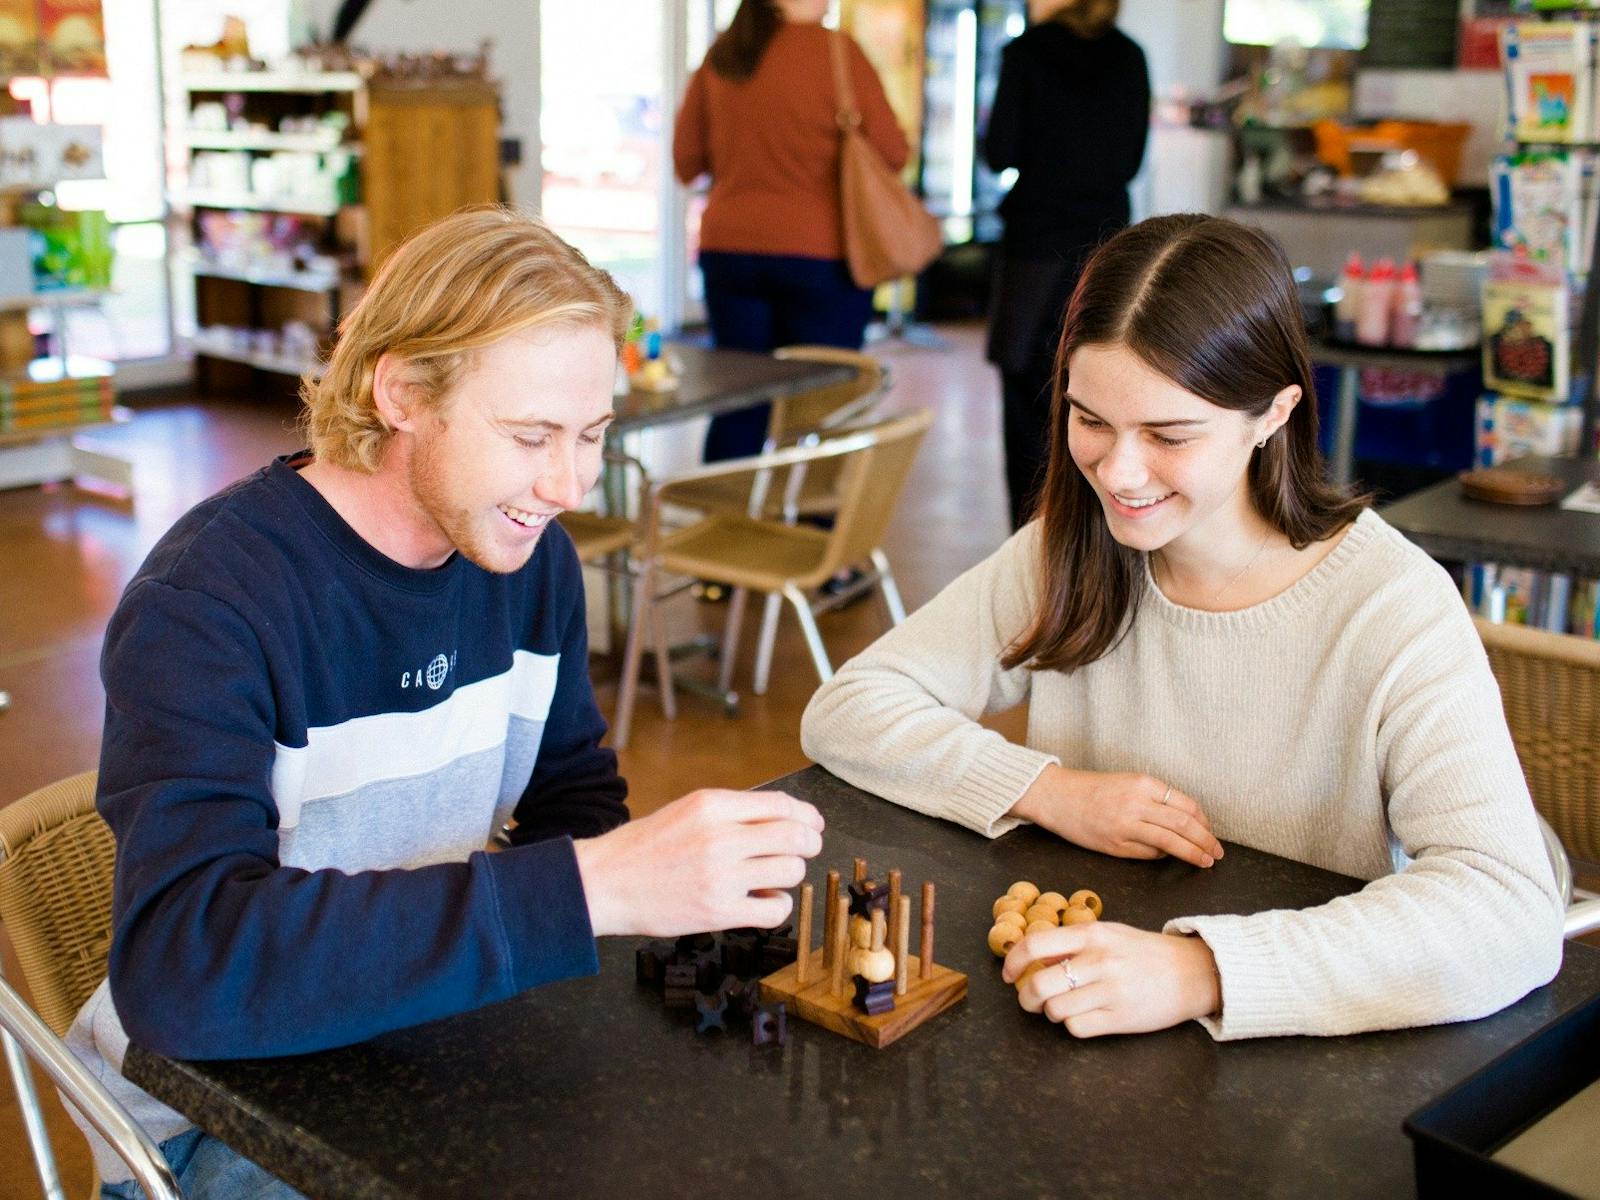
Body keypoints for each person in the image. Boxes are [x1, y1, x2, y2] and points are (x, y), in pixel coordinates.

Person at [68, 207, 825, 1199]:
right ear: (403, 392)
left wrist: (643, 886)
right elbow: (184, 968)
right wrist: (591, 890)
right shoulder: (210, 604)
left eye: (593, 434)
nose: (569, 483)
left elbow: (572, 797)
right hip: (211, 1113)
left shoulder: (527, 557)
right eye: (530, 436)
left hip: (420, 1028)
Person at [801, 213, 1563, 1041]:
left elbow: (1506, 906)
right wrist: (1046, 790)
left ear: (1273, 414)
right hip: (1084, 1018)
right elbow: (849, 706)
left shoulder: (1391, 606)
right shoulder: (1068, 547)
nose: (1119, 473)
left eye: (1169, 435)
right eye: (1090, 420)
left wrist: (1204, 971)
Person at [673, 0, 908, 464]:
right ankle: (814, 531)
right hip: (822, 253)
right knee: (824, 403)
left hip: (730, 250)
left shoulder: (725, 55)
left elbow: (686, 161)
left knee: (739, 400)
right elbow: (894, 152)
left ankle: (728, 525)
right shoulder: (839, 54)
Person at [984, 0, 1149, 530]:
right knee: (1101, 396)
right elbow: (1130, 160)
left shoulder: (1026, 53)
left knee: (1025, 398)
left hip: (1035, 247)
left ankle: (1030, 543)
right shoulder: (1129, 57)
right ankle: (1091, 537)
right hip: (1106, 250)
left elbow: (999, 151)